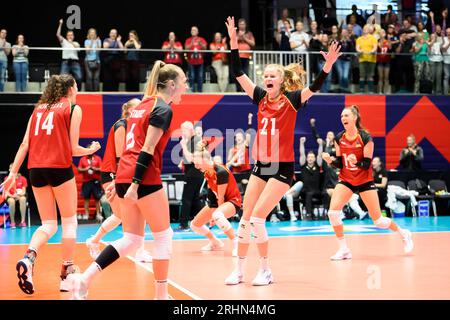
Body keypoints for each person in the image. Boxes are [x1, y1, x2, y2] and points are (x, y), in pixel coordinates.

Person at [224, 16, 341, 286]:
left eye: (272, 75)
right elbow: (237, 72)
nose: (267, 78)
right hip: (260, 166)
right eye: (264, 76)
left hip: (282, 169)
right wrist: (233, 41)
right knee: (244, 219)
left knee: (256, 219)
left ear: (281, 80)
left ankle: (265, 269)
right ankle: (238, 270)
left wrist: (328, 65)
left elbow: (314, 88)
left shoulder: (291, 100)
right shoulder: (260, 98)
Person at [67, 61, 188, 300]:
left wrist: (122, 181)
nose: (187, 86)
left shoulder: (142, 104)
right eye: (184, 82)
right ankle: (161, 295)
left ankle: (84, 280)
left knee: (132, 239)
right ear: (172, 84)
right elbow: (148, 148)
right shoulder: (163, 108)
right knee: (164, 237)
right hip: (141, 177)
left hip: (124, 174)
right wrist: (134, 184)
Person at [1, 74, 101, 295]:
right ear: (71, 89)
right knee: (69, 221)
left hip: (35, 169)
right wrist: (91, 150)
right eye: (76, 85)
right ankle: (66, 272)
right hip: (58, 167)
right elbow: (74, 150)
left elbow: (25, 143)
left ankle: (29, 258)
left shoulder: (38, 109)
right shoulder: (74, 108)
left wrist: (12, 173)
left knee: (48, 224)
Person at [321, 105, 413, 261]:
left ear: (354, 118)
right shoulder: (338, 138)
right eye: (342, 116)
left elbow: (366, 163)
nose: (343, 118)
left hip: (364, 180)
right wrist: (331, 161)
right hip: (347, 180)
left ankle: (404, 233)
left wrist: (356, 161)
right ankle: (344, 250)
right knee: (332, 213)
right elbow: (340, 163)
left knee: (378, 220)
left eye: (346, 115)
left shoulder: (365, 138)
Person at [85, 98, 151, 263]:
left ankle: (94, 241)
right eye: (137, 108)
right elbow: (121, 157)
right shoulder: (121, 126)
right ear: (129, 110)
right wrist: (117, 180)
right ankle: (136, 250)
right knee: (127, 215)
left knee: (125, 214)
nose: (141, 111)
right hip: (114, 174)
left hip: (123, 173)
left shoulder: (133, 127)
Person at [190, 147, 241, 256]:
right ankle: (215, 242)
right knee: (194, 225)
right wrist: (212, 214)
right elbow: (212, 195)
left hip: (232, 201)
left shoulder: (221, 171)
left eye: (197, 163)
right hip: (219, 201)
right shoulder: (207, 173)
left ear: (204, 159)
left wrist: (214, 216)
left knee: (217, 215)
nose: (195, 166)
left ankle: (237, 243)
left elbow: (221, 197)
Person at [176, 121, 204, 231]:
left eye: (184, 130)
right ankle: (205, 220)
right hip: (194, 173)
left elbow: (192, 158)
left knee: (186, 199)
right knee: (195, 199)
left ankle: (183, 225)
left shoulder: (196, 140)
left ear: (190, 130)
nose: (182, 132)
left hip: (194, 174)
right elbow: (189, 157)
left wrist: (183, 146)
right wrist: (182, 162)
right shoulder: (191, 141)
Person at [298, 137, 329, 220]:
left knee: (325, 194)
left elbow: (319, 154)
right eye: (309, 157)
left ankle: (327, 213)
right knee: (309, 194)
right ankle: (309, 214)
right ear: (307, 158)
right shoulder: (303, 165)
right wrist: (301, 143)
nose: (310, 158)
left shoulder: (318, 165)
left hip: (317, 190)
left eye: (312, 157)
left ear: (314, 158)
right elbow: (302, 154)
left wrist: (320, 145)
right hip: (306, 191)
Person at [77, 145, 103, 220]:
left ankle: (98, 214)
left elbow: (102, 169)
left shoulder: (98, 158)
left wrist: (95, 168)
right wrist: (86, 169)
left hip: (96, 181)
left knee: (97, 199)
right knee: (86, 199)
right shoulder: (83, 159)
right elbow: (79, 169)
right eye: (88, 149)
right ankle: (86, 215)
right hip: (86, 182)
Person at [56, 19, 82, 90]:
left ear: (73, 36)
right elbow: (58, 35)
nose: (70, 36)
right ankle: (63, 93)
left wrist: (71, 42)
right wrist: (60, 24)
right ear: (66, 36)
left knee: (79, 77)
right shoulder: (64, 42)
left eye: (71, 35)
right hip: (66, 62)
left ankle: (78, 92)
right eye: (69, 35)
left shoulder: (76, 43)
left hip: (75, 62)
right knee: (62, 78)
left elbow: (78, 48)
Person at [185, 26, 207, 93]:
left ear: (197, 32)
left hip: (200, 61)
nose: (193, 31)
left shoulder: (201, 39)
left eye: (195, 30)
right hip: (191, 61)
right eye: (192, 30)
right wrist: (192, 43)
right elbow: (186, 49)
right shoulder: (188, 40)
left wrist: (200, 44)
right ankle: (192, 91)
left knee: (200, 77)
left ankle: (200, 92)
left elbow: (205, 48)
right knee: (192, 76)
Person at [356, 25, 377, 93]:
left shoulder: (373, 38)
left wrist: (372, 51)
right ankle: (361, 90)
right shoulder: (359, 39)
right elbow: (357, 47)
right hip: (362, 59)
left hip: (371, 59)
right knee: (362, 75)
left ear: (369, 30)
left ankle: (370, 91)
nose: (365, 29)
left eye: (367, 28)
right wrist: (359, 51)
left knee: (370, 76)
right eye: (364, 28)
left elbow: (375, 47)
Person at [236, 18, 255, 91]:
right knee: (238, 73)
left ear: (245, 25)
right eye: (240, 24)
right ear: (238, 25)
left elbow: (253, 43)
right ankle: (238, 90)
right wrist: (238, 37)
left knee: (245, 73)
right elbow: (231, 42)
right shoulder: (236, 32)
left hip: (246, 56)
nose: (241, 25)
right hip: (237, 56)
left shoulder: (249, 33)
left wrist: (244, 38)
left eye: (243, 24)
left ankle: (245, 90)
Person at [336, 28, 355, 92]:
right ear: (341, 33)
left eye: (345, 32)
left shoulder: (350, 41)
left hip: (347, 60)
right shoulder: (338, 40)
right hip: (339, 60)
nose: (344, 33)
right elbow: (336, 49)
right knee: (341, 75)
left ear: (347, 33)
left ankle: (345, 88)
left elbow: (352, 50)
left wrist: (349, 41)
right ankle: (341, 89)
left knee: (345, 76)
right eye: (343, 32)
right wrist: (340, 42)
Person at [377, 29, 391, 94]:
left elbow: (390, 48)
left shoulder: (388, 41)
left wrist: (389, 40)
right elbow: (380, 47)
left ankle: (386, 91)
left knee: (386, 77)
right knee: (380, 77)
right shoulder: (377, 41)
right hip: (380, 61)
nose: (382, 34)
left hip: (387, 61)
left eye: (383, 32)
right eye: (381, 33)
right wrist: (381, 41)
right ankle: (380, 91)